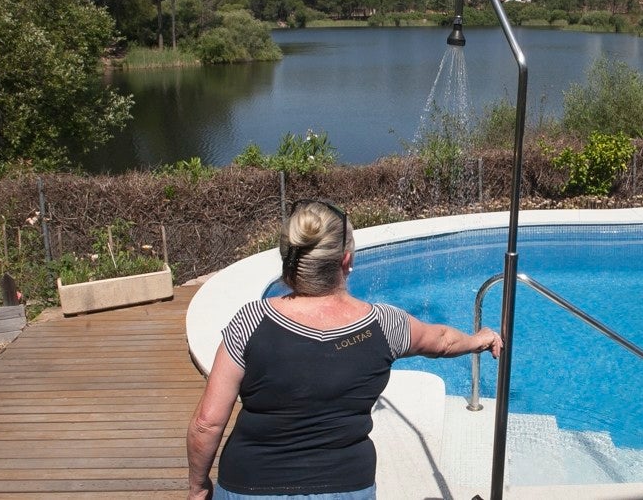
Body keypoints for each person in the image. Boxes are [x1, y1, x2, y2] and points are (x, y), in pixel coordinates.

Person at [187, 199, 503, 500]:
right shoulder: (384, 325)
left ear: (288, 259)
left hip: (249, 484)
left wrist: (198, 487)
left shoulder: (251, 321)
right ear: (346, 261)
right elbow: (443, 340)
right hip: (344, 486)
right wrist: (479, 338)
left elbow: (207, 422)